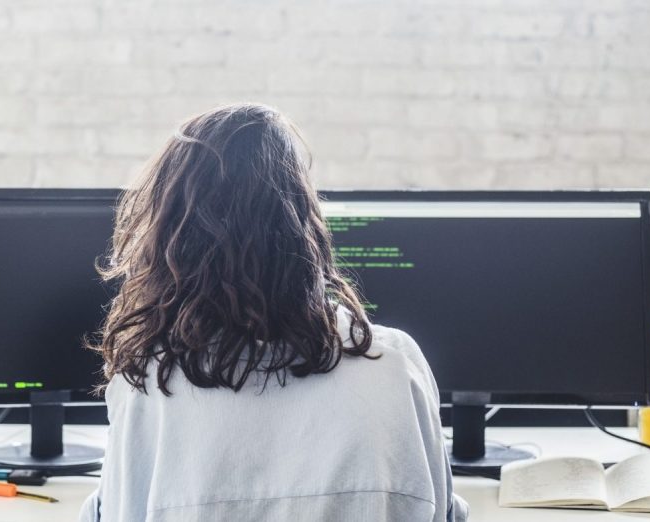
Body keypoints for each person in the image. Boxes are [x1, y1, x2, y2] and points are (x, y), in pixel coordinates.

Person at [80, 103, 468, 521]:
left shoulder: (150, 382)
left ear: (172, 236)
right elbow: (445, 514)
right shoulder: (393, 363)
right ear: (303, 223)